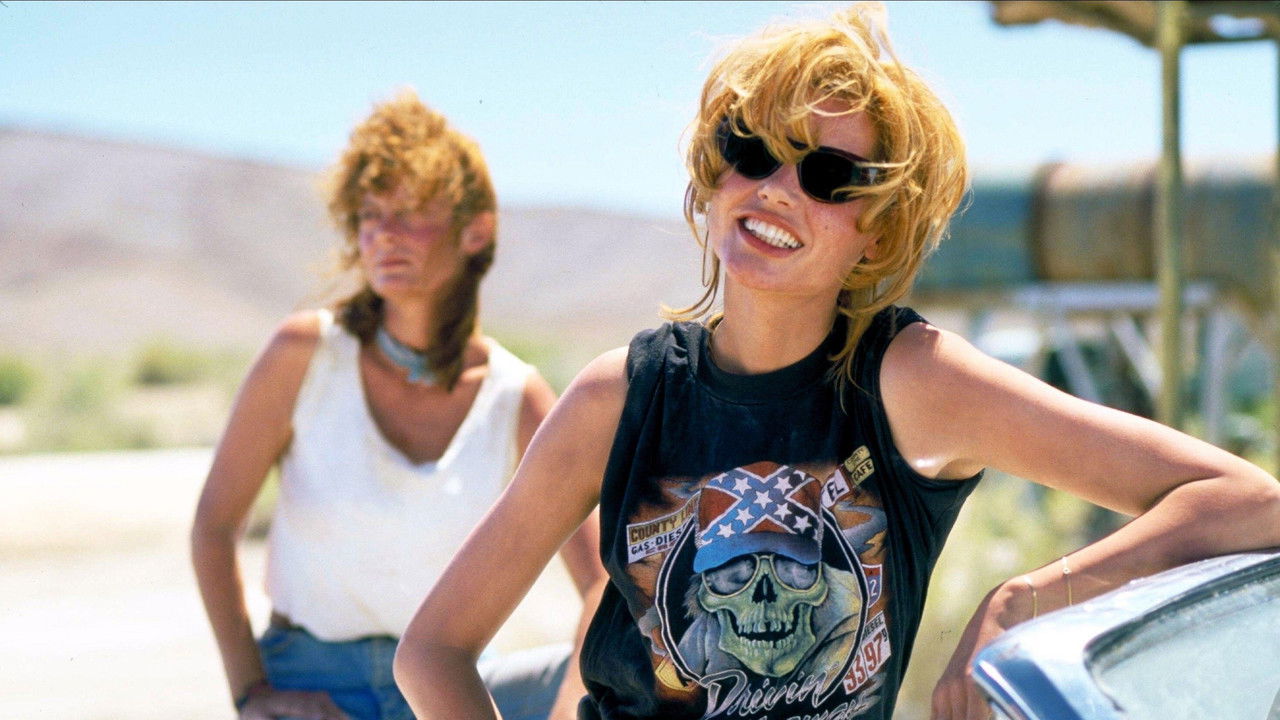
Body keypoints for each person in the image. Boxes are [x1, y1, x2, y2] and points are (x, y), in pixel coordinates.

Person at [391, 6, 1280, 720]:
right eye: (750, 151)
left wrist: (1028, 598)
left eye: (827, 176)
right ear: (713, 174)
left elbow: (1247, 498)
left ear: (877, 233)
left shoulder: (911, 384)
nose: (777, 188)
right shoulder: (622, 397)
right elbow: (433, 650)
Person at [191, 90, 604, 720]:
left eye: (410, 213)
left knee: (642, 692)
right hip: (313, 689)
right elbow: (214, 527)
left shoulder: (514, 397)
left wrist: (565, 710)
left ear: (475, 230)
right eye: (370, 214)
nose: (384, 234)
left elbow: (603, 583)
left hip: (451, 689)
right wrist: (252, 693)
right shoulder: (306, 355)